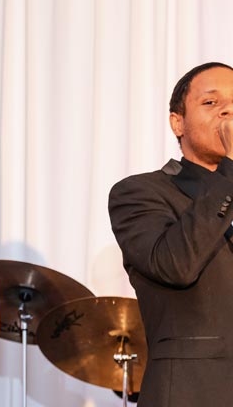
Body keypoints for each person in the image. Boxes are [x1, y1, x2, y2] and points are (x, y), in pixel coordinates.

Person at [108, 62, 233, 407]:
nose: (228, 110)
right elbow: (175, 265)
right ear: (177, 122)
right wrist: (230, 170)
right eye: (211, 103)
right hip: (194, 394)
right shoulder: (139, 193)